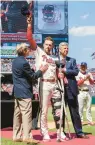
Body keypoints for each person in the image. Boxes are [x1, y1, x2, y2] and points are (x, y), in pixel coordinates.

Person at [26, 15, 68, 142]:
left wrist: (61, 75)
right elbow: (29, 38)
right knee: (44, 111)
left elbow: (57, 71)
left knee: (58, 110)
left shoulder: (55, 57)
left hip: (55, 85)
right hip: (43, 85)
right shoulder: (39, 52)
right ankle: (45, 133)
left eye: (50, 45)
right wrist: (29, 25)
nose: (48, 46)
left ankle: (60, 132)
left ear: (52, 46)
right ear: (43, 44)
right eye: (47, 44)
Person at [12, 43, 48, 143]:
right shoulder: (24, 62)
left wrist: (32, 71)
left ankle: (16, 135)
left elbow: (23, 74)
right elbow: (32, 77)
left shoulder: (15, 61)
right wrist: (41, 70)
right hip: (24, 92)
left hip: (17, 92)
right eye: (27, 49)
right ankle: (27, 137)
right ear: (24, 51)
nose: (29, 50)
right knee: (26, 114)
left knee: (17, 114)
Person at [58, 42, 89, 139]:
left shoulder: (72, 60)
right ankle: (61, 132)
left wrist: (66, 70)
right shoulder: (55, 60)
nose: (66, 50)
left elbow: (76, 71)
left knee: (75, 112)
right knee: (61, 112)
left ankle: (79, 132)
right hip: (60, 89)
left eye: (67, 48)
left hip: (71, 89)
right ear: (59, 49)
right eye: (64, 48)